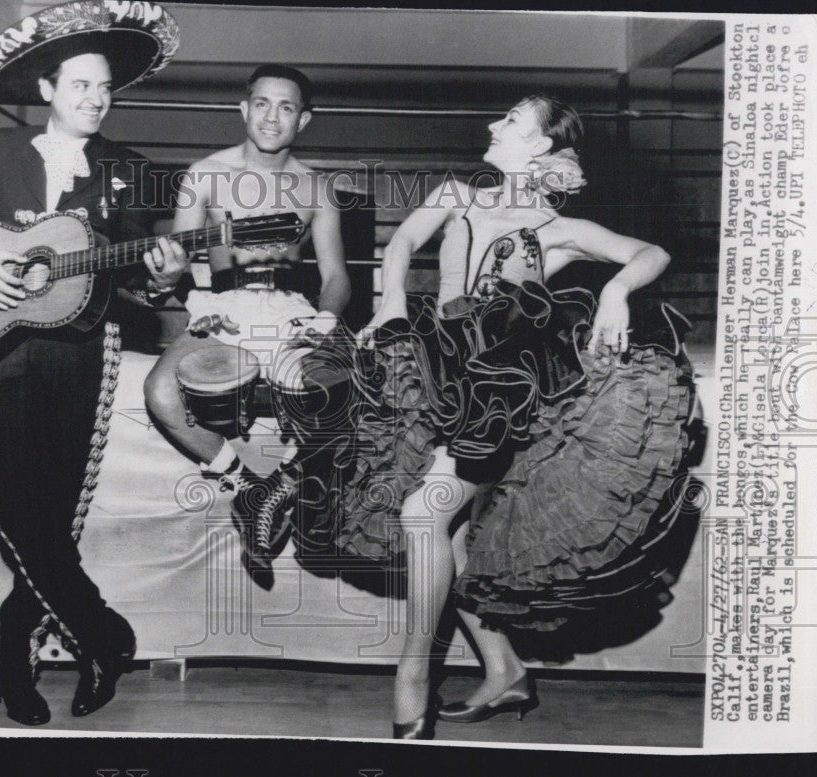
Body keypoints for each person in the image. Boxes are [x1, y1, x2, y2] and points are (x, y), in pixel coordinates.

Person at [299, 94, 695, 738]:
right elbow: (400, 241)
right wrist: (392, 301)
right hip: (431, 373)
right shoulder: (458, 192)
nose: (491, 124)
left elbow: (649, 252)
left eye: (510, 120)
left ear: (539, 146)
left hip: (501, 396)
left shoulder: (557, 231)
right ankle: (503, 670)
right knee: (446, 535)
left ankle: (415, 675)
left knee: (423, 513)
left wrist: (618, 291)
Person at [0, 3, 186, 726]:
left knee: (50, 518)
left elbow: (140, 272)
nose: (95, 99)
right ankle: (101, 634)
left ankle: (11, 659)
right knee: (12, 504)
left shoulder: (133, 171)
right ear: (48, 90)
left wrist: (162, 273)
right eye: (80, 86)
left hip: (81, 357)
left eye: (104, 89)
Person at [143, 65, 350, 581]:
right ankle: (251, 489)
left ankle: (286, 485)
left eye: (286, 107)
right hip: (222, 309)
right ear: (243, 109)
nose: (271, 116)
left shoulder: (317, 188)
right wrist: (187, 295)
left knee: (350, 387)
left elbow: (338, 276)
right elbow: (177, 262)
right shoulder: (204, 174)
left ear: (303, 119)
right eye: (261, 103)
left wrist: (324, 319)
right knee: (160, 393)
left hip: (290, 310)